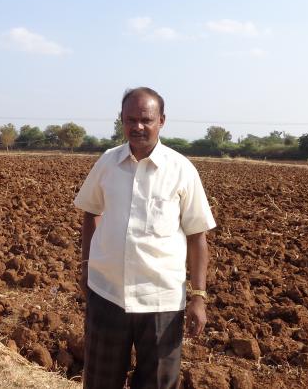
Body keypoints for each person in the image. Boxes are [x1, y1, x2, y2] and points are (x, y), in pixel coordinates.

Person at [74, 87, 217, 389]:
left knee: (158, 384)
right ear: (121, 120)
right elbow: (90, 212)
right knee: (100, 381)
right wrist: (86, 265)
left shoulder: (181, 170)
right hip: (108, 294)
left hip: (161, 301)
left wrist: (199, 296)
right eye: (130, 119)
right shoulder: (107, 163)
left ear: (161, 121)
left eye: (146, 119)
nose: (137, 126)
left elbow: (197, 236)